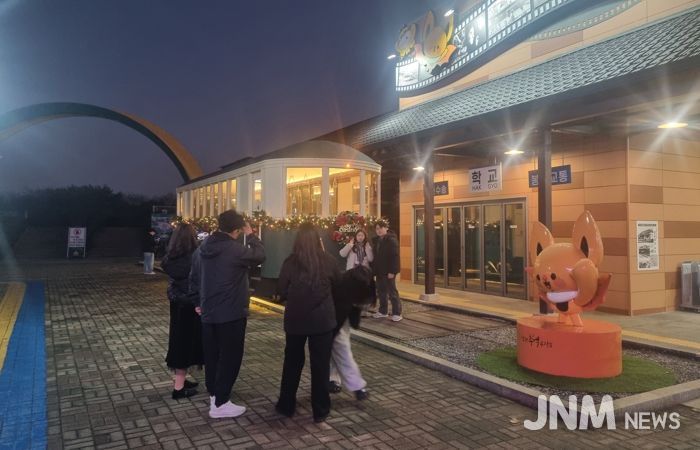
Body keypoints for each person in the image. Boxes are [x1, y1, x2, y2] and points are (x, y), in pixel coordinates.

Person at [192, 209, 265, 419]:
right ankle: (221, 403)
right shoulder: (235, 249)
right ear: (237, 229)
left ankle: (214, 394)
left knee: (212, 356)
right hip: (231, 312)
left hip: (208, 312)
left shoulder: (203, 247)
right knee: (230, 357)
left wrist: (197, 302)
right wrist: (251, 234)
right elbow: (260, 255)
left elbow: (193, 276)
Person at [276, 223, 339, 423]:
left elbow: (281, 289)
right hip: (323, 321)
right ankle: (320, 410)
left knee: (292, 363)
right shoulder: (329, 261)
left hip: (296, 320)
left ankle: (286, 405)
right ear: (318, 240)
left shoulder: (290, 262)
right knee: (320, 366)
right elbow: (338, 288)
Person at [161, 223, 203, 400]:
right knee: (188, 344)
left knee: (179, 341)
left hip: (177, 304)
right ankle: (178, 388)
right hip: (193, 305)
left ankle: (181, 381)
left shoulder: (170, 258)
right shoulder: (196, 257)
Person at [329, 229, 373, 398]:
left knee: (337, 350)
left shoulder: (349, 284)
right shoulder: (345, 290)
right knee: (342, 351)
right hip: (334, 319)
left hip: (336, 320)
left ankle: (333, 379)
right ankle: (356, 386)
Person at [372, 220, 402, 321]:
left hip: (389, 271)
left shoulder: (391, 240)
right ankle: (383, 311)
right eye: (377, 229)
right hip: (379, 271)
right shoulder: (377, 240)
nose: (379, 230)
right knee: (381, 292)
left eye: (381, 228)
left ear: (386, 228)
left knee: (392, 292)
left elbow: (395, 257)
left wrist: (392, 271)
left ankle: (397, 313)